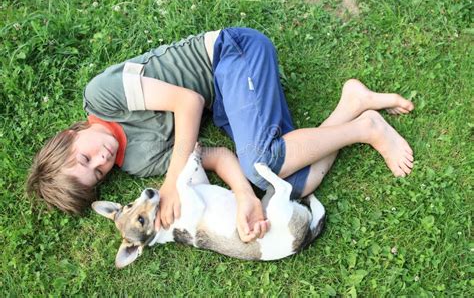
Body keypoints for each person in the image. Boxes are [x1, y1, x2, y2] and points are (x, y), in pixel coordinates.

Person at [27, 27, 414, 243]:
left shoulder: (101, 95)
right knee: (283, 183)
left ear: (71, 135)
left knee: (264, 160)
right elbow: (213, 157)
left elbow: (189, 102)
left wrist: (175, 181)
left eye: (85, 157)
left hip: (232, 54)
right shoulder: (136, 160)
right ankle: (351, 104)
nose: (101, 160)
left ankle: (368, 128)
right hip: (227, 96)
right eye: (96, 173)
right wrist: (246, 197)